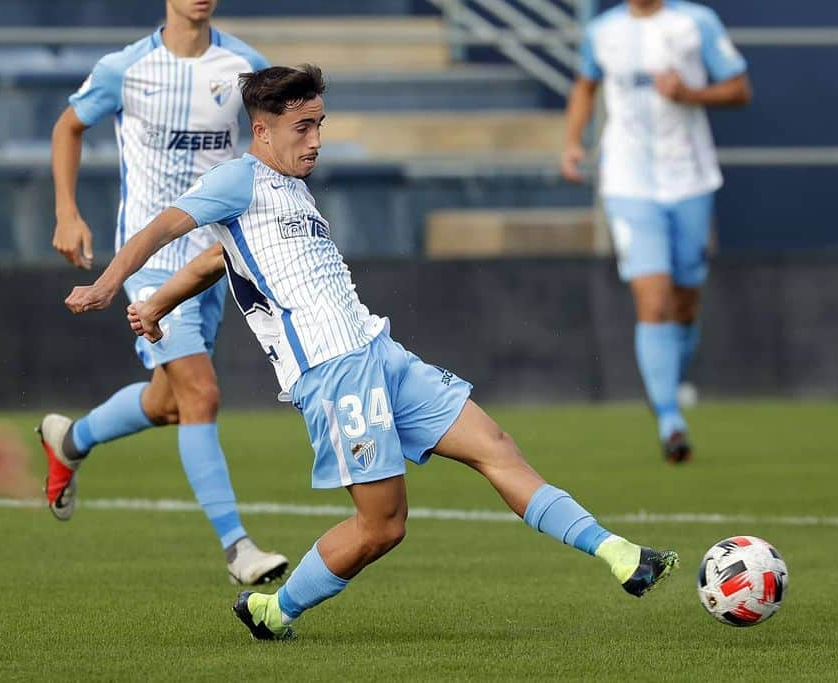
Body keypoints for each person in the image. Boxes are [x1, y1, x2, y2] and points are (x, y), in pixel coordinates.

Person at [64, 65, 679, 641]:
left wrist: (159, 307)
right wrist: (110, 286)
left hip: (379, 351)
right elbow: (161, 230)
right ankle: (275, 611)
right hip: (332, 373)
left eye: (320, 126)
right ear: (262, 131)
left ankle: (617, 553)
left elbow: (213, 261)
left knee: (495, 447)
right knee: (382, 526)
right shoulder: (236, 179)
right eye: (303, 128)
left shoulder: (289, 189)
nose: (315, 141)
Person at [43, 0, 287, 585]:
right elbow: (68, 126)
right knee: (200, 393)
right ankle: (239, 549)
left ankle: (70, 439)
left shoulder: (245, 65)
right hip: (147, 263)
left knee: (169, 401)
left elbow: (273, 145)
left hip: (213, 263)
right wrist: (67, 212)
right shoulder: (125, 69)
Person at [561, 0, 752, 463]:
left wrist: (691, 94)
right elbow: (586, 86)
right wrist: (571, 142)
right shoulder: (603, 30)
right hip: (628, 182)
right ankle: (670, 418)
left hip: (690, 177)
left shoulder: (695, 22)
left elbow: (739, 89)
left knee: (686, 299)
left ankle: (664, 385)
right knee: (654, 296)